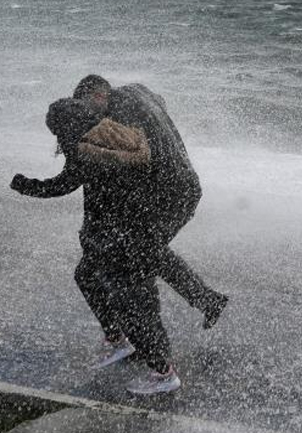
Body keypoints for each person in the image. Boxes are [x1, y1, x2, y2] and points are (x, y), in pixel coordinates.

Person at [12, 98, 182, 394]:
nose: (57, 139)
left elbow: (62, 185)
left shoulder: (88, 151)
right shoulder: (113, 133)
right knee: (88, 276)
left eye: (56, 132)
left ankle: (163, 373)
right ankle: (118, 341)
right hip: (137, 230)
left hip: (127, 239)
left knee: (128, 302)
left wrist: (25, 185)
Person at [72, 75, 227, 328]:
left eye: (88, 109)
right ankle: (207, 301)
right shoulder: (137, 90)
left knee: (138, 256)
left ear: (99, 96)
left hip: (169, 195)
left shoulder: (118, 117)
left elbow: (130, 162)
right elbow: (160, 103)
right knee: (147, 250)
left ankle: (140, 338)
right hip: (184, 186)